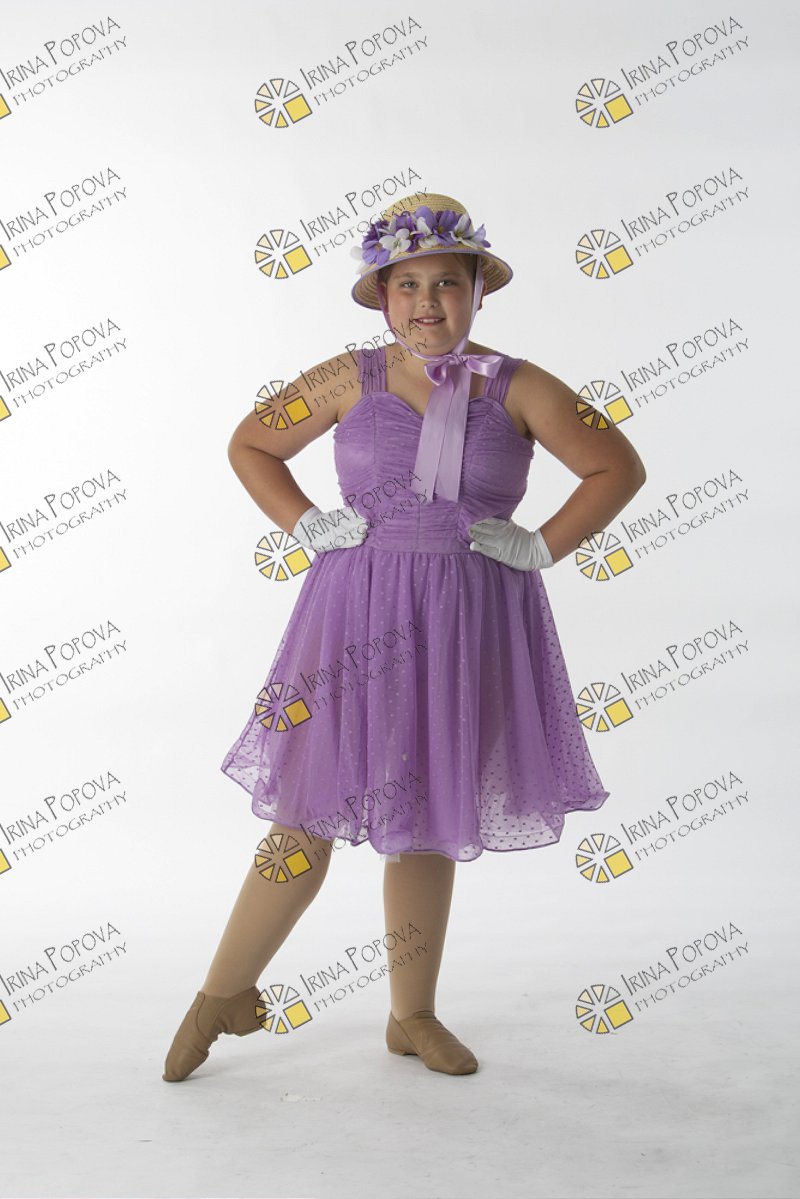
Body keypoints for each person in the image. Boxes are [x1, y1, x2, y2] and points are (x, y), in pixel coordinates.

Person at [162, 191, 646, 1083]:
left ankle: (410, 1012)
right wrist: (305, 522)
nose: (428, 302)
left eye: (448, 283)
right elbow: (250, 445)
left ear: (477, 292)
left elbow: (617, 466)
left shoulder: (522, 384)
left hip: (467, 619)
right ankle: (219, 995)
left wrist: (541, 544)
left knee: (427, 814)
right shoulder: (349, 377)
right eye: (408, 284)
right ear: (383, 295)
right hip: (354, 615)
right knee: (304, 810)